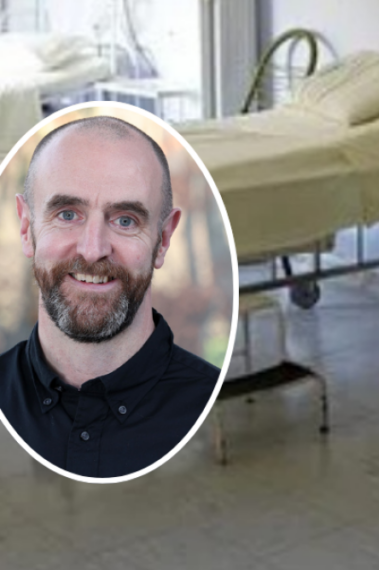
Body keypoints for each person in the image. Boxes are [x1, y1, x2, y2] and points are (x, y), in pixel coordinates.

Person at [0, 115, 220, 479]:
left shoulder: (203, 400)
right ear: (26, 227)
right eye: (67, 214)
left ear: (163, 239)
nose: (93, 250)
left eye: (125, 220)